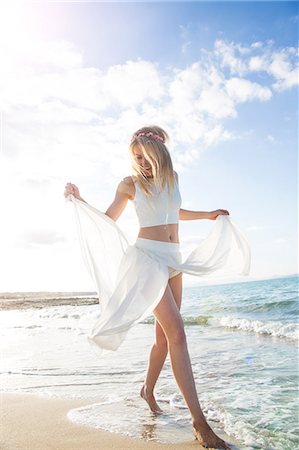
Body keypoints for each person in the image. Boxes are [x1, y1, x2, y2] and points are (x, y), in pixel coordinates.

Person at [64, 125, 250, 449]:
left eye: (147, 157)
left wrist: (207, 215)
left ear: (160, 154)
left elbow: (173, 211)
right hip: (147, 262)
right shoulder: (129, 184)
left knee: (164, 341)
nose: (143, 163)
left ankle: (146, 390)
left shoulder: (172, 178)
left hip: (174, 262)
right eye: (137, 157)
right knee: (178, 332)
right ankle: (200, 423)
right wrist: (82, 202)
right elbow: (108, 220)